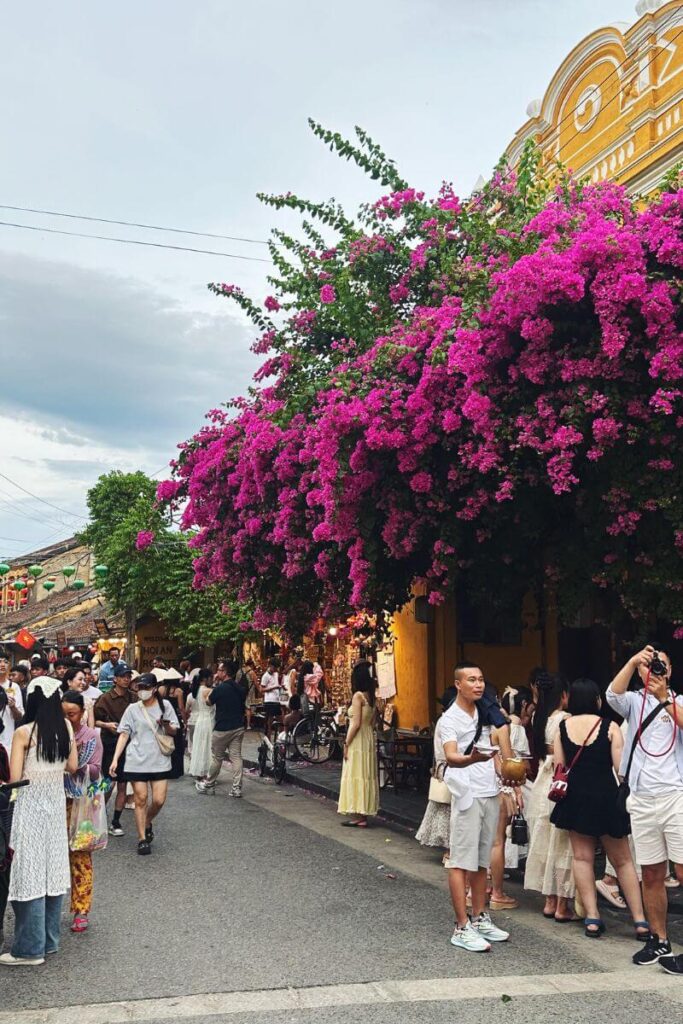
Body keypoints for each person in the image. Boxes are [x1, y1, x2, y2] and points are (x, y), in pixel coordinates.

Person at [549, 678, 648, 939]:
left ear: (571, 699)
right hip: (605, 796)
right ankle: (639, 920)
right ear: (597, 700)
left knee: (582, 858)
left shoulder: (562, 727)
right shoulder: (610, 726)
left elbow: (559, 766)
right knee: (624, 860)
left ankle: (592, 918)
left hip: (575, 798)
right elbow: (620, 768)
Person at [606, 645, 683, 972]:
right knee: (651, 873)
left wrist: (665, 697)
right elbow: (611, 695)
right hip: (641, 799)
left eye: (660, 666)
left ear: (671, 671)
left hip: (675, 796)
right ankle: (659, 938)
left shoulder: (678, 701)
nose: (654, 671)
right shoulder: (633, 702)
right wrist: (633, 660)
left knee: (681, 872)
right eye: (649, 666)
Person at [0, 675, 77, 966]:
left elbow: (15, 777)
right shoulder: (65, 726)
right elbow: (73, 766)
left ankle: (29, 949)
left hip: (30, 807)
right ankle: (49, 941)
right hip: (55, 808)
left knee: (29, 871)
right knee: (51, 869)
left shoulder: (24, 733)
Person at [441, 662, 510, 952]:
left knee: (482, 860)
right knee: (460, 860)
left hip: (488, 790)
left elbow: (503, 734)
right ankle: (461, 925)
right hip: (466, 792)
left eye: (481, 679)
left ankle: (480, 917)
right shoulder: (449, 719)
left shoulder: (485, 712)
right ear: (458, 684)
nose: (478, 685)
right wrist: (474, 760)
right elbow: (451, 756)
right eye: (472, 680)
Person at [524, 674, 576, 921]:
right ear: (563, 696)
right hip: (560, 781)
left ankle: (548, 901)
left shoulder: (537, 717)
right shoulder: (566, 720)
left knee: (544, 842)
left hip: (542, 784)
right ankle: (562, 905)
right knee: (562, 845)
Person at [109, 673, 179, 855]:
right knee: (140, 799)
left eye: (146, 688)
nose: (142, 691)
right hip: (136, 760)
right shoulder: (132, 709)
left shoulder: (166, 706)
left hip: (159, 760)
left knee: (158, 800)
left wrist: (165, 725)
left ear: (155, 688)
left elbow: (174, 731)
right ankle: (142, 839)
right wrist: (116, 759)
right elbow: (124, 734)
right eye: (140, 687)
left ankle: (147, 821)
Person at [61, 690, 103, 934]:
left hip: (82, 805)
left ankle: (81, 909)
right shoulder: (55, 734)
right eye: (64, 714)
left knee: (81, 858)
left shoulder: (91, 736)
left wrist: (76, 758)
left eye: (72, 714)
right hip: (57, 801)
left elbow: (97, 771)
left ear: (82, 712)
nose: (68, 718)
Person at [94, 664, 136, 836]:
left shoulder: (134, 698)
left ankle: (116, 821)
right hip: (110, 743)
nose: (126, 679)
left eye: (128, 676)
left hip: (129, 744)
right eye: (123, 676)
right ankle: (99, 814)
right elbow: (94, 720)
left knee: (122, 784)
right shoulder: (105, 698)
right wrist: (106, 725)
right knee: (107, 782)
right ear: (115, 679)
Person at [196, 660, 247, 796]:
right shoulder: (239, 688)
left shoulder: (220, 688)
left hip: (222, 728)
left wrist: (215, 686)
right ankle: (236, 788)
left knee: (217, 757)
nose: (216, 673)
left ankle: (209, 784)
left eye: (219, 670)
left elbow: (208, 702)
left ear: (224, 672)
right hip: (238, 726)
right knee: (236, 757)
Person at [338, 660, 379, 828]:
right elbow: (373, 721)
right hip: (368, 736)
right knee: (365, 773)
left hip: (358, 737)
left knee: (355, 771)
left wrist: (346, 743)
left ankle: (359, 813)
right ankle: (363, 813)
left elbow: (355, 723)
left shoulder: (358, 696)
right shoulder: (372, 697)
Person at [416, 689, 456, 860]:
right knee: (448, 809)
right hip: (448, 768)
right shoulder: (448, 721)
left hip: (442, 768)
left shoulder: (443, 720)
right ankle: (449, 850)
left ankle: (449, 849)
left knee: (444, 810)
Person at [188, 669, 215, 778]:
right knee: (207, 746)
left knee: (200, 745)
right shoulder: (209, 691)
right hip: (208, 720)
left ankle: (200, 771)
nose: (213, 680)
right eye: (211, 678)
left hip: (200, 720)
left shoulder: (197, 690)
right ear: (205, 679)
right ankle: (207, 772)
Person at [0, 654, 24, 757]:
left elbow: (19, 717)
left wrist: (13, 706)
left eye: (5, 661)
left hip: (7, 739)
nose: (2, 664)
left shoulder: (14, 687)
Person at [260, 659, 281, 740]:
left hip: (276, 700)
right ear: (271, 666)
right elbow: (261, 689)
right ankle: (268, 738)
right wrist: (274, 687)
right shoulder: (265, 676)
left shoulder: (275, 674)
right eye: (275, 668)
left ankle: (279, 737)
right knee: (269, 721)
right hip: (269, 701)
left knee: (280, 719)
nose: (276, 670)